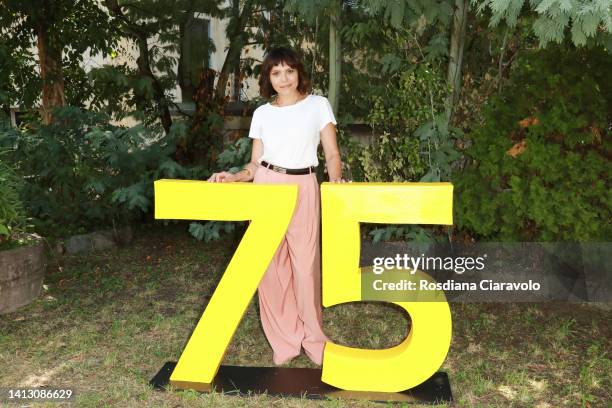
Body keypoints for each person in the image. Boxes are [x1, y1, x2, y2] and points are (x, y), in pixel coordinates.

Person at [208, 46, 345, 366]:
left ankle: (314, 340)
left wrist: (336, 184)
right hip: (267, 185)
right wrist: (236, 176)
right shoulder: (262, 114)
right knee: (271, 269)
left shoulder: (318, 105)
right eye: (276, 73)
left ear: (299, 73)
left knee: (305, 267)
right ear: (268, 78)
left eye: (289, 71)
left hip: (304, 186)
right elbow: (256, 163)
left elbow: (332, 154)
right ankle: (285, 341)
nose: (283, 79)